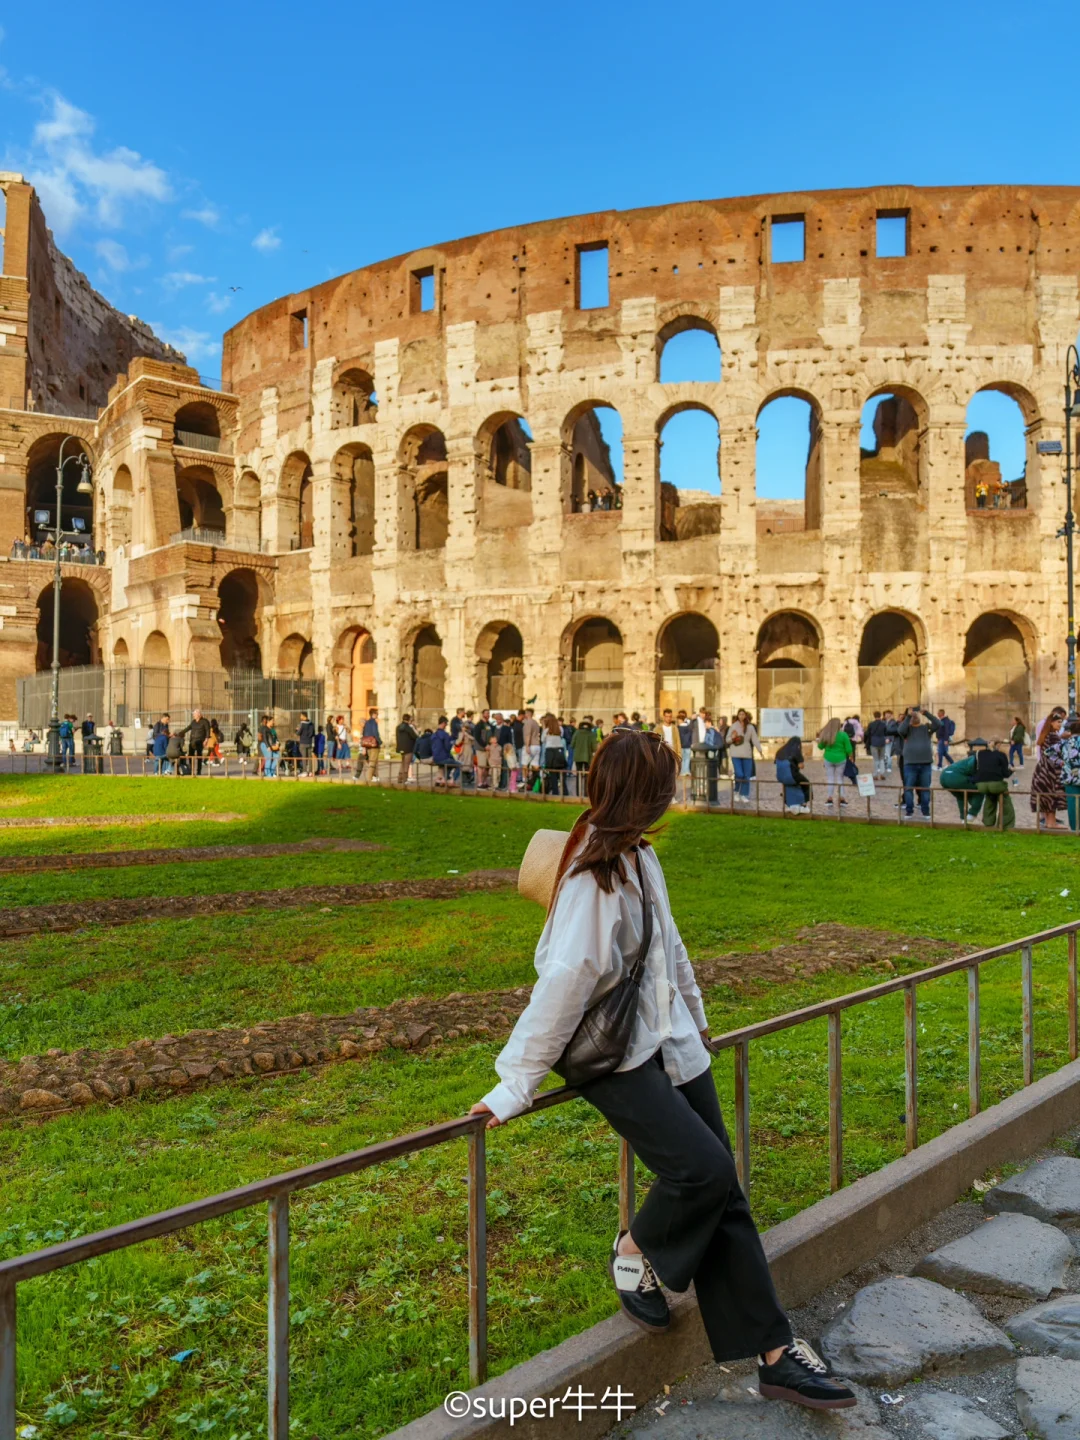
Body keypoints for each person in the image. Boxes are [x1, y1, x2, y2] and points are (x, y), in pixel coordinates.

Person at [468, 731, 856, 1414]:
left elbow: (669, 948)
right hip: (611, 1056)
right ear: (645, 793)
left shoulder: (642, 860)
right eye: (666, 783)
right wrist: (515, 1084)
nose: (675, 793)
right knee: (701, 1172)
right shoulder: (592, 881)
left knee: (723, 1187)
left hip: (668, 1039)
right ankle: (633, 1244)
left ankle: (773, 1354)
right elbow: (562, 987)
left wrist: (697, 1017)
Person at [896, 706, 940, 819]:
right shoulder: (907, 730)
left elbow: (939, 724)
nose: (915, 716)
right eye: (913, 716)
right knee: (909, 788)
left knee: (925, 788)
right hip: (910, 764)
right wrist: (909, 716)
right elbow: (900, 730)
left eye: (916, 715)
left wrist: (926, 713)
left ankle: (925, 810)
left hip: (925, 763)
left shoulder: (926, 728)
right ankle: (909, 810)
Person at [1031, 714, 1066, 829]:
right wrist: (1062, 763)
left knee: (1046, 796)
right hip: (1050, 770)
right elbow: (1053, 754)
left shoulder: (1044, 735)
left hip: (1041, 769)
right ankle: (1051, 823)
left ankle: (1048, 822)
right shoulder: (1053, 736)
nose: (1060, 724)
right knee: (1052, 795)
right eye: (1058, 722)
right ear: (1052, 723)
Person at [976, 741, 1016, 830]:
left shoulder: (980, 753)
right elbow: (1005, 774)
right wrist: (1012, 771)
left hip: (981, 784)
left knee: (990, 798)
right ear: (998, 745)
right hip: (996, 784)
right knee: (1006, 801)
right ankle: (1005, 824)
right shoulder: (1001, 755)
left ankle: (988, 822)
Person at [815, 717, 853, 809]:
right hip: (841, 758)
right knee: (840, 779)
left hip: (828, 758)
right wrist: (851, 756)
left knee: (830, 779)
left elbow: (820, 746)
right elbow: (848, 748)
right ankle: (842, 798)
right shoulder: (843, 735)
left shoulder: (826, 734)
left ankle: (829, 798)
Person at [939, 746, 985, 822]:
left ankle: (963, 818)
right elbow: (971, 768)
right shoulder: (975, 759)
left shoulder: (965, 761)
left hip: (943, 777)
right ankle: (972, 814)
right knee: (981, 789)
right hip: (955, 778)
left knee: (961, 796)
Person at [726, 709, 762, 804]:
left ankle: (744, 794)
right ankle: (736, 791)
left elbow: (754, 739)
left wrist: (760, 750)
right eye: (740, 714)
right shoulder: (733, 726)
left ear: (745, 716)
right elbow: (727, 740)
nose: (741, 716)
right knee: (739, 774)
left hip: (747, 753)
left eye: (743, 714)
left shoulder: (750, 727)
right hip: (735, 753)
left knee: (746, 775)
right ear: (737, 716)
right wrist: (733, 738)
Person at [775, 735, 810, 813]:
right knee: (806, 783)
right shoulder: (796, 750)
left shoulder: (780, 750)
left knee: (790, 785)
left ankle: (791, 803)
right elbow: (801, 766)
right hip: (791, 775)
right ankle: (804, 803)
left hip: (780, 776)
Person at [1059, 718, 1080, 832]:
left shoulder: (1065, 743)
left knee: (1072, 804)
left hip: (1069, 776)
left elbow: (1048, 752)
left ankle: (1074, 828)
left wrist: (1060, 762)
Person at [540, 712, 568, 794]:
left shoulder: (546, 731)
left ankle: (555, 792)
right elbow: (561, 736)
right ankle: (565, 792)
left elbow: (542, 740)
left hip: (550, 752)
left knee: (553, 774)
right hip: (559, 751)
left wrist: (544, 728)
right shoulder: (560, 729)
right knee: (561, 774)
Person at [180, 708, 211, 776]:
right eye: (193, 714)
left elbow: (208, 731)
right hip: (192, 741)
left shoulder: (205, 721)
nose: (193, 715)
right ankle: (191, 770)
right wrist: (179, 733)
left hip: (200, 741)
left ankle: (199, 771)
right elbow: (188, 728)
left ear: (199, 714)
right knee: (190, 756)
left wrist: (206, 740)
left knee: (199, 756)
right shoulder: (193, 722)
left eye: (194, 714)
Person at [571, 717, 597, 796]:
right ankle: (586, 793)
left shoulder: (577, 733)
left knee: (578, 774)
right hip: (587, 758)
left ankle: (578, 793)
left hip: (578, 757)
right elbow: (594, 748)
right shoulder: (591, 734)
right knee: (587, 776)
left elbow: (572, 745)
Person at [431, 715, 456, 787]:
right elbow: (448, 747)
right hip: (443, 757)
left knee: (447, 765)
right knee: (458, 765)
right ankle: (450, 781)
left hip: (435, 758)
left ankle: (442, 779)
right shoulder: (445, 734)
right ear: (443, 723)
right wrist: (452, 742)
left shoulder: (434, 735)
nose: (446, 726)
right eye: (446, 724)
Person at [396, 713, 418, 786]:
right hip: (408, 747)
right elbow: (415, 736)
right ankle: (405, 779)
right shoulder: (408, 728)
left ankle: (399, 778)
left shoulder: (398, 727)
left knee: (402, 763)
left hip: (401, 747)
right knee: (407, 764)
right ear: (408, 720)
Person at [361, 707, 382, 784]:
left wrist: (364, 746)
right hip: (374, 744)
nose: (378, 715)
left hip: (367, 744)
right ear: (373, 714)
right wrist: (380, 741)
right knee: (373, 762)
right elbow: (375, 733)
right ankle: (368, 779)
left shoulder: (367, 722)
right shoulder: (374, 722)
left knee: (373, 761)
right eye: (377, 713)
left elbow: (364, 733)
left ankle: (375, 777)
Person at [866, 711, 889, 779]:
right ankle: (882, 774)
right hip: (882, 742)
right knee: (882, 759)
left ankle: (875, 774)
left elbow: (868, 733)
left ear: (874, 716)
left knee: (876, 759)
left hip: (874, 742)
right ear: (880, 715)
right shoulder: (883, 724)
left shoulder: (871, 724)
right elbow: (886, 732)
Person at [259, 713, 280, 778]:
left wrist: (277, 743)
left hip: (271, 745)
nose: (273, 722)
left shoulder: (271, 729)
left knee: (277, 756)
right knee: (269, 758)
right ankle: (267, 773)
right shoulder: (265, 728)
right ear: (268, 721)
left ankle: (271, 771)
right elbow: (265, 738)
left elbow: (274, 738)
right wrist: (268, 746)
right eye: (272, 721)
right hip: (265, 745)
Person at [676, 710, 693, 778]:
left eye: (678, 720)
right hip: (688, 745)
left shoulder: (678, 728)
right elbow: (691, 736)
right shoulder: (689, 727)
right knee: (687, 759)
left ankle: (682, 771)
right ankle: (687, 771)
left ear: (680, 720)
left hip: (682, 746)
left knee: (682, 759)